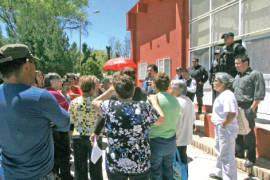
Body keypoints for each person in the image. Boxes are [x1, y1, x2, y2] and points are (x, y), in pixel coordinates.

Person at [0, 44, 70, 179]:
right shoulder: (40, 97)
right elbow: (65, 123)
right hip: (37, 175)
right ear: (27, 64)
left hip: (6, 174)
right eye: (34, 63)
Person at [91, 74, 165, 180]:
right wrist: (154, 103)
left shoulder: (109, 106)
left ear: (116, 92)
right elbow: (161, 119)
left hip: (116, 163)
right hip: (140, 163)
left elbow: (94, 103)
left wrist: (109, 91)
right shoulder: (144, 107)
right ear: (133, 90)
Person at [233, 55, 265, 168]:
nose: (236, 66)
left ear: (246, 63)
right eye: (235, 63)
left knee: (248, 132)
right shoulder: (237, 76)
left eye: (238, 63)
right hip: (237, 107)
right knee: (238, 130)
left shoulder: (255, 74)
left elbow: (259, 94)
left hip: (248, 107)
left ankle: (251, 157)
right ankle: (239, 152)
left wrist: (252, 108)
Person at [68, 75, 103, 180]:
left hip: (78, 137)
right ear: (92, 88)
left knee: (80, 167)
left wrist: (69, 137)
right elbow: (102, 119)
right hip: (94, 138)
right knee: (96, 167)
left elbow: (71, 122)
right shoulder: (97, 103)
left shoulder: (74, 102)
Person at [149, 72, 180, 180]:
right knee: (168, 170)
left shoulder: (152, 100)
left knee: (155, 172)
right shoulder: (175, 100)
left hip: (155, 141)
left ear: (155, 84)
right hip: (171, 141)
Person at [44, 73, 73, 180]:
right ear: (52, 82)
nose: (61, 82)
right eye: (59, 80)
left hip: (49, 132)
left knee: (54, 158)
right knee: (64, 157)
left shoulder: (44, 92)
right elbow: (67, 109)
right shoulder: (54, 94)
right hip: (59, 131)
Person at [209, 72, 238, 180]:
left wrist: (223, 125)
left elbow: (231, 113)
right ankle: (220, 173)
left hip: (226, 128)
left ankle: (229, 178)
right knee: (219, 151)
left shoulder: (228, 95)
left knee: (227, 154)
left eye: (216, 81)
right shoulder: (222, 94)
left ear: (223, 83)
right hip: (221, 127)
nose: (213, 83)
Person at [171, 80, 196, 175]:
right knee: (183, 159)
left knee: (177, 162)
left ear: (177, 90)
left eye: (172, 87)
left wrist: (173, 136)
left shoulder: (177, 102)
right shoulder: (189, 101)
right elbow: (193, 120)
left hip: (177, 138)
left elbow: (177, 122)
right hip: (185, 137)